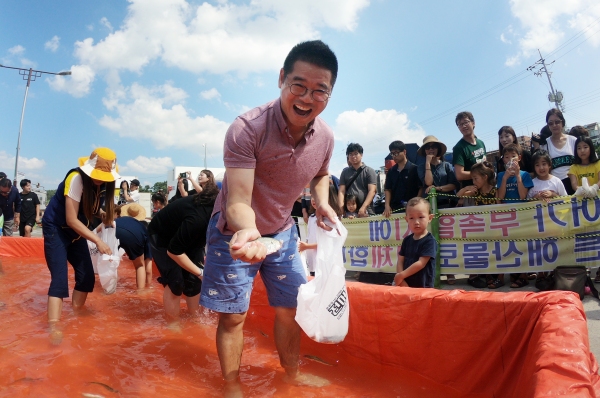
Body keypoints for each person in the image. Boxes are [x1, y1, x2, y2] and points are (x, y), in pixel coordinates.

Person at [199, 40, 338, 393]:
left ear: (330, 94)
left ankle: (290, 375)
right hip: (235, 231)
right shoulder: (247, 129)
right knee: (233, 316)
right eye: (299, 86)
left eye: (319, 91)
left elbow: (321, 173)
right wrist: (249, 232)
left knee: (291, 309)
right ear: (281, 79)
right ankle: (232, 382)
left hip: (283, 232)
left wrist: (322, 201)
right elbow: (238, 200)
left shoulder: (325, 137)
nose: (307, 99)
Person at [42, 148, 119, 324]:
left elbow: (86, 206)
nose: (100, 179)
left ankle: (76, 314)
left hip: (76, 233)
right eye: (98, 174)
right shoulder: (76, 178)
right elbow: (71, 219)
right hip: (57, 229)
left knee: (87, 277)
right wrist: (97, 240)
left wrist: (101, 213)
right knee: (60, 279)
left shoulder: (100, 186)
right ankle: (53, 327)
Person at [148, 184, 218, 323]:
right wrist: (201, 273)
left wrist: (198, 274)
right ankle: (172, 324)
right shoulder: (199, 218)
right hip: (162, 236)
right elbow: (174, 251)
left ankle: (195, 318)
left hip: (187, 235)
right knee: (176, 282)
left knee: (194, 280)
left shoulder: (214, 213)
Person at [456, 161, 498, 288]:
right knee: (479, 250)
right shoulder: (475, 191)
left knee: (492, 251)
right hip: (478, 227)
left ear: (485, 177)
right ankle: (475, 275)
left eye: (475, 178)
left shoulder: (495, 191)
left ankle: (491, 274)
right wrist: (465, 189)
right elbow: (458, 196)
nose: (473, 182)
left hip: (492, 226)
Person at [496, 144, 533, 289]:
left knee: (522, 245)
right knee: (507, 246)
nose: (510, 160)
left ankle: (523, 275)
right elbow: (500, 196)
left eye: (513, 157)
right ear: (503, 161)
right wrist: (504, 178)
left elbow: (524, 195)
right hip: (507, 216)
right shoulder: (500, 175)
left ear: (519, 158)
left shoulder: (525, 175)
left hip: (522, 216)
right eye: (507, 157)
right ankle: (506, 275)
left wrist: (517, 175)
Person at [299, 185, 343, 276]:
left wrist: (306, 246)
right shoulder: (311, 218)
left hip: (325, 264)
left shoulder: (332, 220)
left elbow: (327, 243)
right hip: (313, 264)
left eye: (318, 197)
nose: (314, 200)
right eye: (312, 196)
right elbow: (309, 237)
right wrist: (304, 247)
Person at [393, 197, 436, 288]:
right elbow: (400, 260)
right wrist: (402, 280)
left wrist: (401, 275)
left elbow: (421, 263)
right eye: (411, 218)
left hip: (423, 286)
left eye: (421, 217)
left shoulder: (430, 241)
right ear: (406, 219)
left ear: (430, 218)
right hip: (406, 284)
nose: (416, 222)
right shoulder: (407, 240)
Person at [115, 203, 153, 289]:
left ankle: (107, 290)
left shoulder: (118, 219)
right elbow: (149, 270)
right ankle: (141, 292)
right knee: (139, 265)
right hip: (134, 235)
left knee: (109, 261)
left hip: (113, 229)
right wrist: (149, 286)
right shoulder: (142, 228)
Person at [416, 135, 459, 209]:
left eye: (434, 146)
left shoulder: (446, 165)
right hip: (430, 205)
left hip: (448, 203)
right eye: (427, 147)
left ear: (438, 148)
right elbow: (428, 182)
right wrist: (427, 163)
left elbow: (453, 185)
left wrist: (437, 188)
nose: (431, 149)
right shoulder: (421, 167)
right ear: (424, 150)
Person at [540, 108, 576, 195]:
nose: (554, 125)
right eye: (551, 123)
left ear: (562, 122)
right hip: (555, 187)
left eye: (557, 122)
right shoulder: (545, 144)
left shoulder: (573, 140)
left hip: (574, 183)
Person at [338, 143, 377, 217]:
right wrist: (341, 207)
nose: (353, 156)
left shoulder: (369, 171)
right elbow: (341, 191)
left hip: (366, 212)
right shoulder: (345, 172)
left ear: (361, 155)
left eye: (356, 154)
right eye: (350, 154)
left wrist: (363, 207)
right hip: (349, 213)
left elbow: (372, 191)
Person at [452, 111, 487, 193]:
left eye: (466, 122)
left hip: (486, 189)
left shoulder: (481, 143)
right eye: (460, 124)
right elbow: (459, 175)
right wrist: (480, 175)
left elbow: (485, 164)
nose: (463, 126)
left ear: (473, 123)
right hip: (471, 192)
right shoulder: (458, 148)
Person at [383, 140, 420, 217]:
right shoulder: (391, 171)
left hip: (412, 207)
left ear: (404, 152)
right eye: (392, 153)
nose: (394, 156)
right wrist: (387, 205)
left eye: (396, 153)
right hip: (395, 208)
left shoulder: (414, 169)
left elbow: (421, 187)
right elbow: (387, 189)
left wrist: (417, 202)